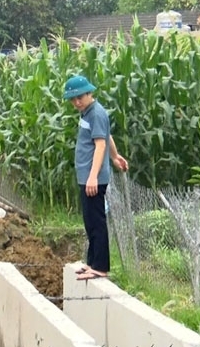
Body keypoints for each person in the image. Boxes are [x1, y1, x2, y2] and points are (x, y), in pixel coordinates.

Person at [62, 75, 128, 281]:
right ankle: (92, 262)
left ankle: (100, 267)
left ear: (89, 93)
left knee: (96, 222)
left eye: (80, 97)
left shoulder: (96, 113)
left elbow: (100, 145)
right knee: (90, 221)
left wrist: (92, 177)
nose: (76, 102)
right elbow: (107, 136)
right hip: (87, 177)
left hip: (93, 179)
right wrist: (115, 156)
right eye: (73, 99)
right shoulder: (88, 113)